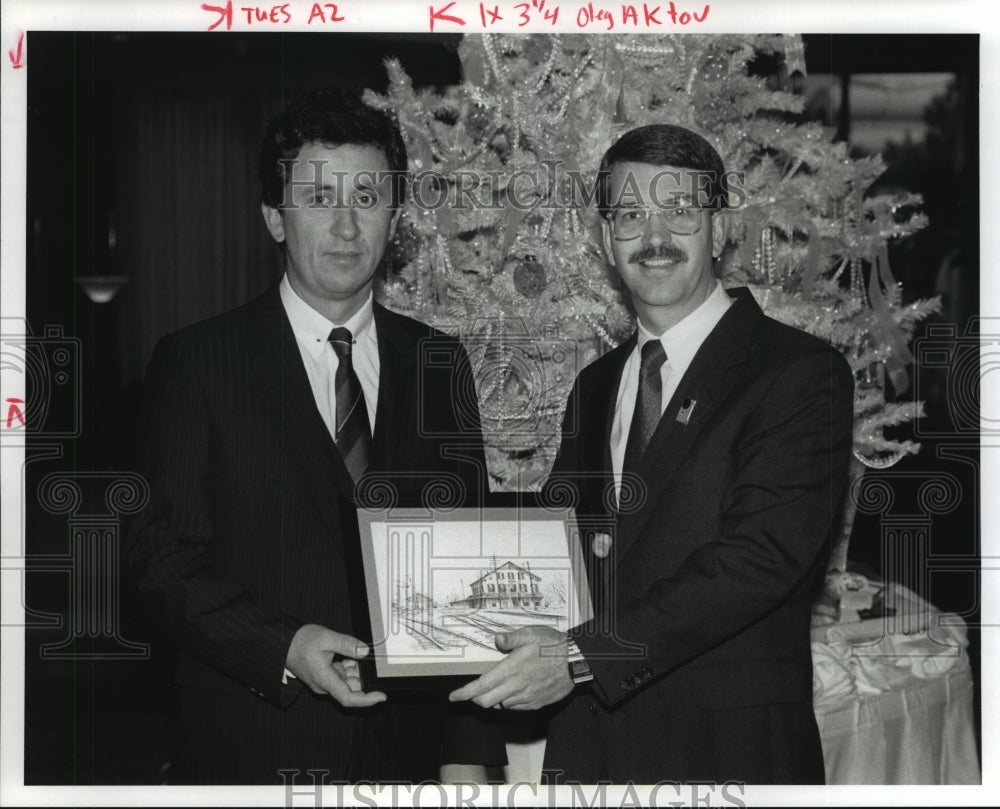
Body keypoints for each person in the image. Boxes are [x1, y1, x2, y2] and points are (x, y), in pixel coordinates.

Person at [449, 123, 855, 784]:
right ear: (606, 241)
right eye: (631, 215)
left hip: (730, 752)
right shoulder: (597, 384)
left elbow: (758, 559)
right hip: (591, 751)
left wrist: (582, 657)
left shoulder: (799, 374)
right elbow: (559, 546)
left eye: (679, 212)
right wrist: (427, 606)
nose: (655, 236)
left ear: (720, 229)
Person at [127, 87, 503, 784]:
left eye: (368, 197)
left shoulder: (438, 362)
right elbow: (159, 560)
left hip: (414, 755)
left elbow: (469, 571)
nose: (346, 225)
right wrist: (286, 644)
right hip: (254, 742)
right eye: (320, 198)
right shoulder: (197, 362)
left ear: (394, 217)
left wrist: (468, 750)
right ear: (275, 216)